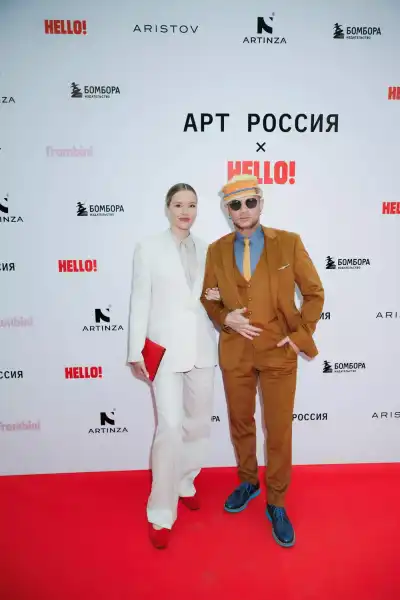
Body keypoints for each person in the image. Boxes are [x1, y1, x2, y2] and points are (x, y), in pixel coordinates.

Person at [201, 174, 324, 548]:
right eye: (234, 205)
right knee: (241, 423)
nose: (243, 210)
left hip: (278, 351)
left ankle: (277, 501)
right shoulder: (216, 250)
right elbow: (209, 297)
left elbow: (314, 293)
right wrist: (225, 317)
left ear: (261, 203)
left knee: (279, 429)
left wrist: (299, 337)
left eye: (249, 202)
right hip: (235, 352)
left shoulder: (288, 242)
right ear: (227, 210)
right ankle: (248, 481)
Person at [127, 183, 217, 550]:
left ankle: (185, 481)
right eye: (178, 204)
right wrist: (135, 350)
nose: (185, 211)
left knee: (198, 423)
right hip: (163, 351)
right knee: (169, 427)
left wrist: (217, 297)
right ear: (167, 208)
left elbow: (212, 298)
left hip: (202, 349)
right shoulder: (148, 247)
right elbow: (140, 299)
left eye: (191, 205)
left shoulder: (209, 249)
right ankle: (161, 512)